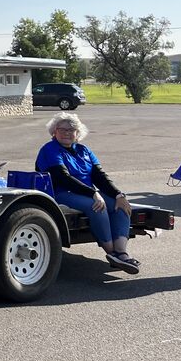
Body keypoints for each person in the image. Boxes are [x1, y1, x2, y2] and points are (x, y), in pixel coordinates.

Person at [36, 112, 139, 274]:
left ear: (78, 133)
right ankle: (111, 252)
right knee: (97, 206)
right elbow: (62, 178)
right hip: (61, 193)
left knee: (121, 205)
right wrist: (93, 193)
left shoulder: (84, 150)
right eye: (62, 129)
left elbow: (100, 176)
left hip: (86, 192)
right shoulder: (50, 149)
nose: (67, 133)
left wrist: (119, 195)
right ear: (54, 131)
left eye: (72, 130)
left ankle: (122, 253)